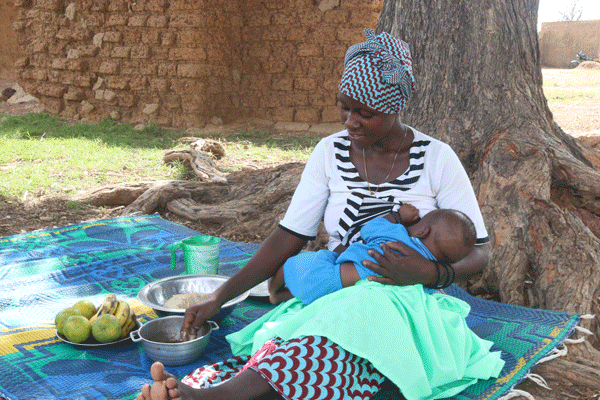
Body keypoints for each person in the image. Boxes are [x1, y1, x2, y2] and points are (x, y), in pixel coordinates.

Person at [136, 28, 505, 400]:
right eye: (345, 106)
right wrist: (220, 295)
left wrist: (429, 272)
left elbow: (481, 253)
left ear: (396, 107)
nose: (350, 122)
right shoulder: (330, 152)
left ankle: (210, 397)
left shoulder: (437, 159)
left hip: (408, 302)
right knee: (314, 338)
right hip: (338, 287)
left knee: (345, 325)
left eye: (366, 113)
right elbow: (289, 236)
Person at [269, 205, 477, 305]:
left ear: (423, 231)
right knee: (314, 296)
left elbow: (370, 228)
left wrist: (397, 217)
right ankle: (283, 297)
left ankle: (274, 291)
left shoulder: (395, 234)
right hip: (350, 301)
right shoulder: (424, 274)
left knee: (292, 264)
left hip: (329, 277)